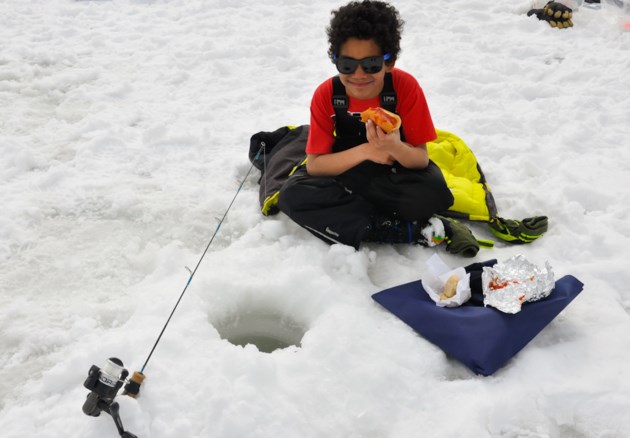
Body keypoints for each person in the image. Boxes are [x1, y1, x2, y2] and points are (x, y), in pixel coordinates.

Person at [278, 0, 477, 256]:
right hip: (347, 173)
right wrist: (366, 151)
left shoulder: (405, 87)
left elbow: (419, 159)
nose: (359, 75)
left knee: (432, 192)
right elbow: (316, 165)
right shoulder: (327, 94)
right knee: (292, 195)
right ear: (335, 61)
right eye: (347, 65)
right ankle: (405, 230)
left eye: (371, 64)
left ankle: (358, 218)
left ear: (389, 61)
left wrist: (394, 146)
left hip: (393, 174)